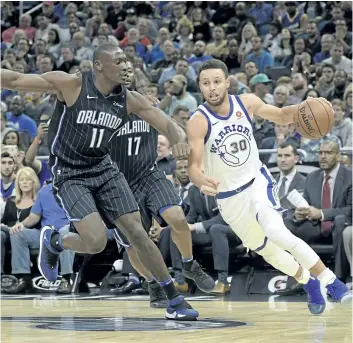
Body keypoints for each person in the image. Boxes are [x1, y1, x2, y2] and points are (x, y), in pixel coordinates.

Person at [1, 43, 198, 321]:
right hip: (70, 172)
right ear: (98, 65)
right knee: (94, 242)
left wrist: (179, 140)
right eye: (117, 60)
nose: (125, 65)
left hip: (103, 168)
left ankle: (174, 299)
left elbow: (168, 125)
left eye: (126, 60)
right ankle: (56, 241)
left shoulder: (129, 99)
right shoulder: (71, 84)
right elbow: (15, 79)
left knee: (137, 231)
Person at [187, 59, 352, 315]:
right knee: (269, 252)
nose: (212, 88)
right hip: (229, 200)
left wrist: (307, 108)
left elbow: (283, 115)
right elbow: (194, 167)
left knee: (277, 232)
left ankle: (331, 282)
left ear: (227, 83)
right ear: (200, 86)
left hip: (257, 183)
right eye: (206, 83)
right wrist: (200, 181)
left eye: (217, 82)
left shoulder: (247, 102)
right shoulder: (198, 120)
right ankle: (308, 282)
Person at [109, 62, 214, 307]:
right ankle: (153, 282)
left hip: (150, 174)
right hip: (120, 184)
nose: (125, 75)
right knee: (134, 246)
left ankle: (189, 264)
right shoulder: (103, 112)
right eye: (120, 72)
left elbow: (172, 127)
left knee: (177, 218)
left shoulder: (147, 104)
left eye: (129, 71)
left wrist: (178, 140)